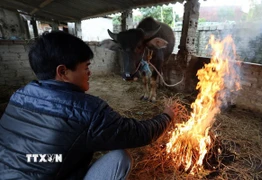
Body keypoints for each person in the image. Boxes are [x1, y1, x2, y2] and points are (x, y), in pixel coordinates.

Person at [0, 31, 176, 180]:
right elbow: (139, 134)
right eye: (86, 67)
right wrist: (167, 116)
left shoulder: (19, 95)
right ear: (63, 72)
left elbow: (36, 156)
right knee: (120, 157)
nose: (89, 72)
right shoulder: (86, 110)